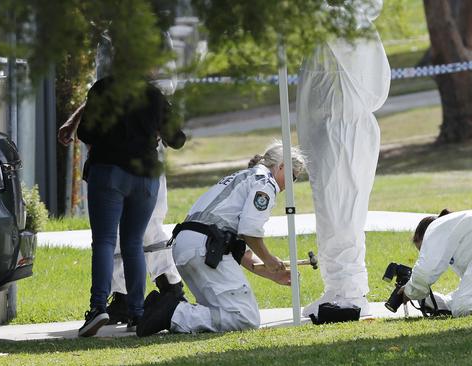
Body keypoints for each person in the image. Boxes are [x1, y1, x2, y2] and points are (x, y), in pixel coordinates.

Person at [136, 142, 306, 336]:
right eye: (292, 177)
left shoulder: (241, 177)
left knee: (222, 314)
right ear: (282, 166)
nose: (291, 185)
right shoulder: (265, 183)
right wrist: (268, 259)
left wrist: (272, 273)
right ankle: (172, 311)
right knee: (245, 318)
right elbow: (250, 230)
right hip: (205, 249)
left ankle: (161, 309)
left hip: (189, 246)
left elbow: (238, 249)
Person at [296, 0, 391, 321]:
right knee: (328, 213)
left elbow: (327, 17)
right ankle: (336, 288)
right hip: (327, 129)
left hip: (345, 132)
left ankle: (350, 292)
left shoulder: (353, 24)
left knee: (343, 213)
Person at [58, 96, 186, 330]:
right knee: (133, 242)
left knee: (107, 241)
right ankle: (135, 311)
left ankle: (100, 307)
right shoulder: (153, 95)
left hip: (109, 171)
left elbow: (86, 133)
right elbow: (176, 139)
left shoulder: (104, 88)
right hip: (144, 173)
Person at [402, 209, 472, 316]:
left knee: (463, 306)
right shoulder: (456, 229)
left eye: (424, 249)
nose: (426, 253)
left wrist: (410, 290)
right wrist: (424, 298)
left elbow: (426, 271)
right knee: (466, 299)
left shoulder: (436, 229)